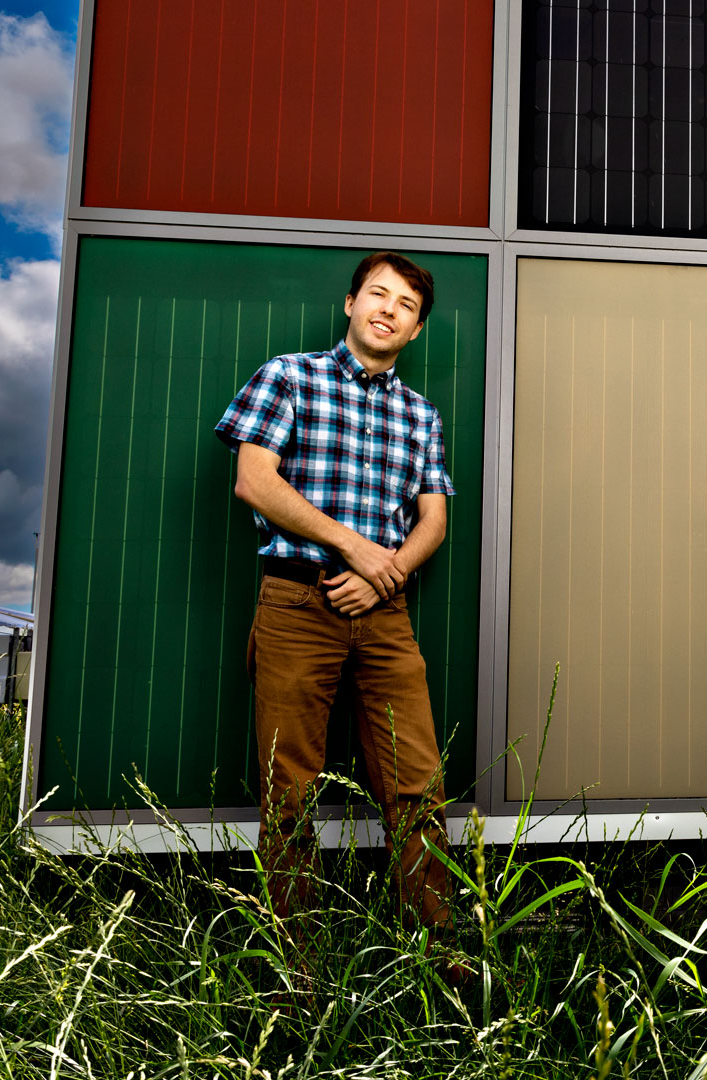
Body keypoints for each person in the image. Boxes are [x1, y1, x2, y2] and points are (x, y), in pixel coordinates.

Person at [214, 252, 462, 973]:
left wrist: (384, 579)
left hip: (384, 613)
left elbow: (433, 523)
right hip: (297, 599)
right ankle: (293, 970)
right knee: (288, 784)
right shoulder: (290, 376)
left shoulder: (420, 414)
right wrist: (357, 549)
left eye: (406, 304)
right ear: (350, 303)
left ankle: (438, 951)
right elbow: (254, 483)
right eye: (377, 294)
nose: (388, 308)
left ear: (415, 329)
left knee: (417, 780)